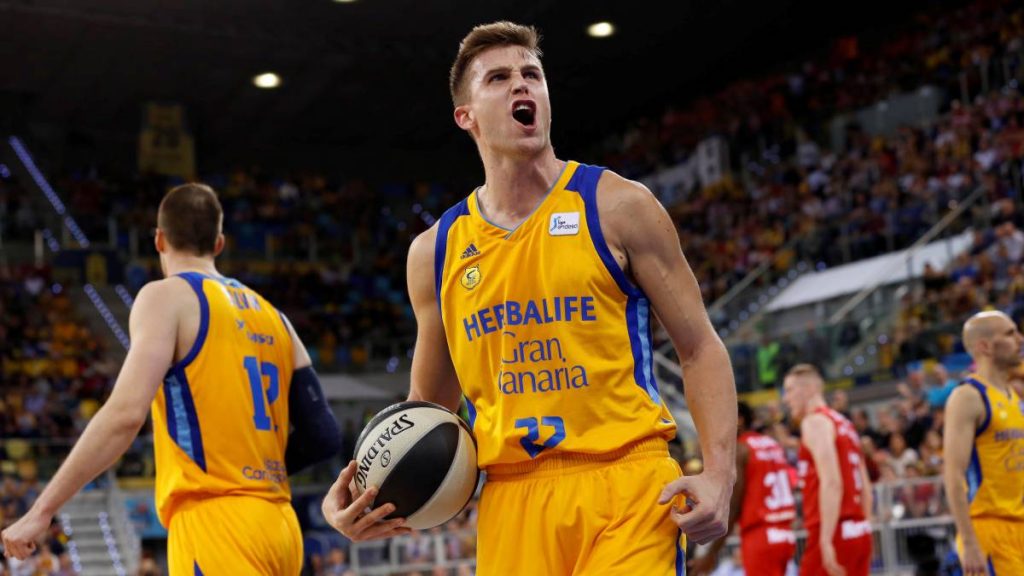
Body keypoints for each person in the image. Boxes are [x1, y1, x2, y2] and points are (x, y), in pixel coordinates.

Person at [321, 21, 737, 575]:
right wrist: (367, 493)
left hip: (629, 485)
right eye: (498, 78)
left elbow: (699, 346)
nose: (521, 84)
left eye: (531, 74)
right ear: (466, 116)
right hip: (511, 499)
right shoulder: (435, 252)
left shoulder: (618, 205)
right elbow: (428, 411)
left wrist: (719, 474)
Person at [1, 184, 341, 575]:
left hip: (215, 524)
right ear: (218, 243)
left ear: (159, 240)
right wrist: (253, 472)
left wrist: (42, 510)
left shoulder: (166, 297)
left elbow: (125, 415)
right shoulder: (275, 316)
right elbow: (323, 434)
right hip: (279, 525)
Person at [942, 311, 1024, 575]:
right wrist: (969, 542)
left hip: (1018, 527)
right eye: (1010, 333)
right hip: (988, 530)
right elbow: (953, 475)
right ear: (984, 346)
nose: (1020, 339)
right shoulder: (968, 397)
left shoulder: (1013, 396)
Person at [782, 364, 873, 576]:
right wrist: (866, 526)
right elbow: (866, 487)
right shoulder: (845, 424)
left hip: (833, 530)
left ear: (809, 389)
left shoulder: (815, 422)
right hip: (858, 529)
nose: (786, 399)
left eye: (789, 390)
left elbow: (832, 482)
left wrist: (825, 539)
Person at [689, 402, 796, 576]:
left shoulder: (741, 449)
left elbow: (733, 508)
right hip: (785, 534)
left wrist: (711, 554)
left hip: (760, 537)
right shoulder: (772, 443)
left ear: (738, 419)